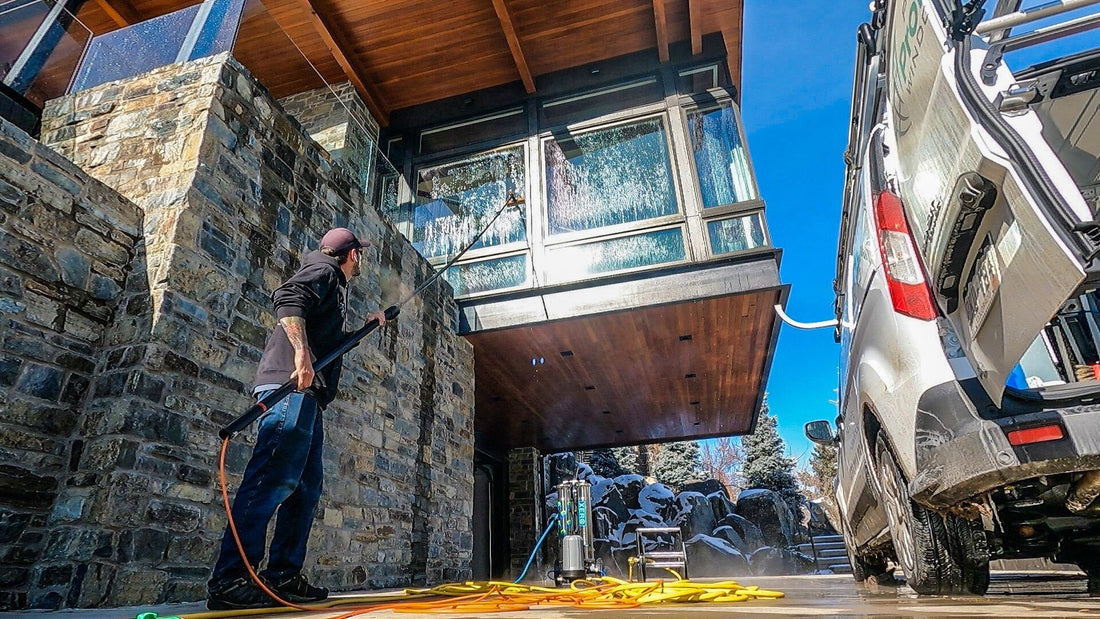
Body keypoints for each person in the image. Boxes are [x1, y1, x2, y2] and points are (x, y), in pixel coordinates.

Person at [207, 227, 387, 610]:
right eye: (362, 255)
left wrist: (367, 328)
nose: (362, 262)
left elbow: (329, 343)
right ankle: (229, 581)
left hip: (309, 399)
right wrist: (301, 356)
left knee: (305, 489)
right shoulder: (322, 270)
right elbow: (287, 298)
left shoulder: (333, 286)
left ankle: (283, 575)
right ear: (353, 254)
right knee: (272, 479)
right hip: (289, 393)